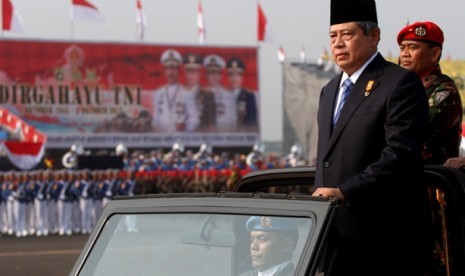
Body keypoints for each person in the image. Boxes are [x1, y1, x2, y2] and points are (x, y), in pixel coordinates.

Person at [312, 0, 432, 275]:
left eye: (348, 34)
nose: (338, 44)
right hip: (334, 238)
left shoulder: (398, 83)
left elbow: (400, 154)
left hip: (384, 240)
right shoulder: (329, 90)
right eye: (333, 36)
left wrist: (345, 191)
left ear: (374, 36)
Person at [398, 21, 463, 164]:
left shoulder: (444, 90)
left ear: (434, 54)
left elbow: (410, 138)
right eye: (402, 48)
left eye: (413, 48)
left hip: (431, 180)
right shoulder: (400, 87)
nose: (405, 54)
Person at [152, 49, 200, 132]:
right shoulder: (158, 93)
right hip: (162, 139)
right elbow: (156, 118)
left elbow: (195, 120)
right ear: (164, 71)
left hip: (180, 138)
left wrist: (185, 127)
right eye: (168, 69)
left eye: (174, 69)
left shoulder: (187, 93)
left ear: (178, 71)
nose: (171, 73)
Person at [183, 52, 216, 131]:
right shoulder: (180, 94)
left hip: (200, 138)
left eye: (194, 71)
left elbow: (211, 125)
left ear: (199, 73)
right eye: (189, 71)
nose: (191, 75)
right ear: (185, 73)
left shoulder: (208, 95)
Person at [203, 54, 237, 131]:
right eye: (211, 73)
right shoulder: (201, 94)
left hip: (224, 136)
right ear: (206, 75)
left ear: (221, 75)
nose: (214, 77)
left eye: (216, 73)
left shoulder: (229, 95)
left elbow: (233, 119)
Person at [226, 57, 258, 131]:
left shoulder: (249, 96)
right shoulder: (223, 95)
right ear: (228, 77)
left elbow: (252, 120)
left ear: (242, 77)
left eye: (238, 74)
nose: (234, 78)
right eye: (231, 74)